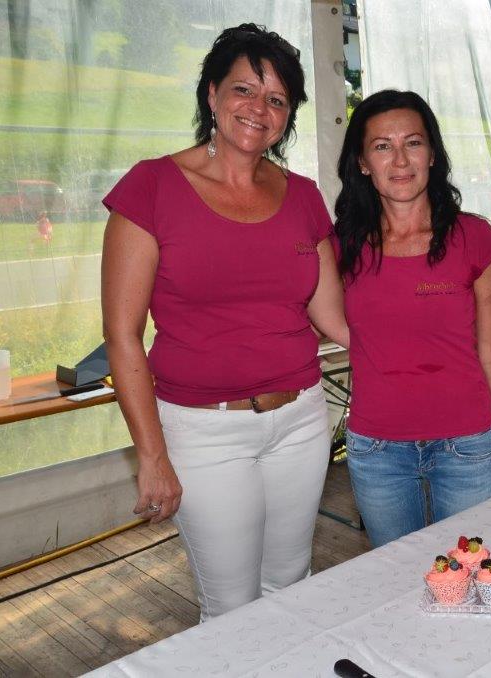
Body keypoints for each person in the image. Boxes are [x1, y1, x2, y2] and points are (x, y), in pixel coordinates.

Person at [101, 24, 346, 620]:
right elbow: (122, 337)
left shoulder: (303, 196)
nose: (258, 109)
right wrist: (152, 456)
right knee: (232, 610)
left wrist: (425, 332)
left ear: (287, 116)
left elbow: (334, 317)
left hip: (301, 420)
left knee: (291, 587)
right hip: (203, 431)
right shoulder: (152, 187)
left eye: (276, 99)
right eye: (244, 89)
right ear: (211, 93)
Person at [332, 89, 491, 547]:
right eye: (382, 146)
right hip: (377, 451)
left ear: (432, 154)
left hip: (466, 446)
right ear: (362, 162)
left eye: (413, 142)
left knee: (473, 572)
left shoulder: (475, 238)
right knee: (394, 577)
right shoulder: (342, 246)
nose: (400, 160)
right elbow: (316, 314)